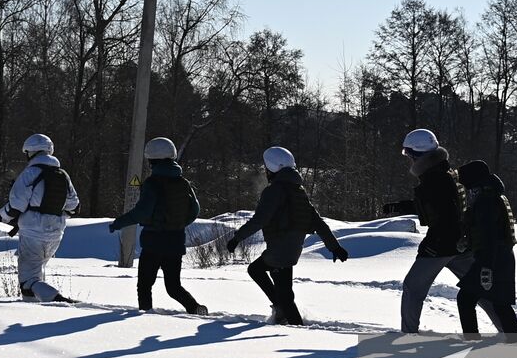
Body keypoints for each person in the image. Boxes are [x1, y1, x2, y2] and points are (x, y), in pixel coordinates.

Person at [389, 129, 505, 334]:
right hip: (461, 244)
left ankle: (408, 335)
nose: (407, 159)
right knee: (482, 291)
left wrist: (435, 247)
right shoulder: (444, 173)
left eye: (408, 154)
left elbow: (445, 216)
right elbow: (434, 207)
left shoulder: (433, 180)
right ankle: (509, 332)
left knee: (412, 288)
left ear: (417, 154)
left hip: (442, 246)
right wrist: (402, 207)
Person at [226, 146, 348, 325]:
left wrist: (237, 238)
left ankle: (294, 327)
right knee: (282, 291)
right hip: (292, 250)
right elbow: (318, 222)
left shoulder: (274, 191)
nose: (265, 172)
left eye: (266, 169)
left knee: (269, 283)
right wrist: (334, 247)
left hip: (279, 251)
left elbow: (260, 219)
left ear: (272, 169)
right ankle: (283, 313)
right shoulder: (299, 193)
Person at [108, 137, 208, 315]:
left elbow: (142, 213)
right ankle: (195, 308)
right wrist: (177, 224)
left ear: (152, 160)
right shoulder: (183, 183)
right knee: (173, 286)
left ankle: (145, 316)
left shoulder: (152, 183)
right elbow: (195, 210)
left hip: (154, 242)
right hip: (176, 241)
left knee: (145, 284)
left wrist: (118, 223)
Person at [0, 133, 80, 304]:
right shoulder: (63, 175)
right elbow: (74, 206)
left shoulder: (30, 173)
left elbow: (16, 205)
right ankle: (36, 308)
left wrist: (0, 215)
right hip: (55, 234)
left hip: (33, 232)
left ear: (32, 152)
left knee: (28, 281)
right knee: (36, 274)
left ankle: (57, 299)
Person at [456, 160, 517, 341]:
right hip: (500, 257)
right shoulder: (491, 194)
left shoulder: (486, 200)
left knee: (466, 299)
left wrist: (486, 266)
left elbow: (490, 235)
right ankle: (515, 341)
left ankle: (472, 339)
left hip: (492, 258)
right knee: (500, 303)